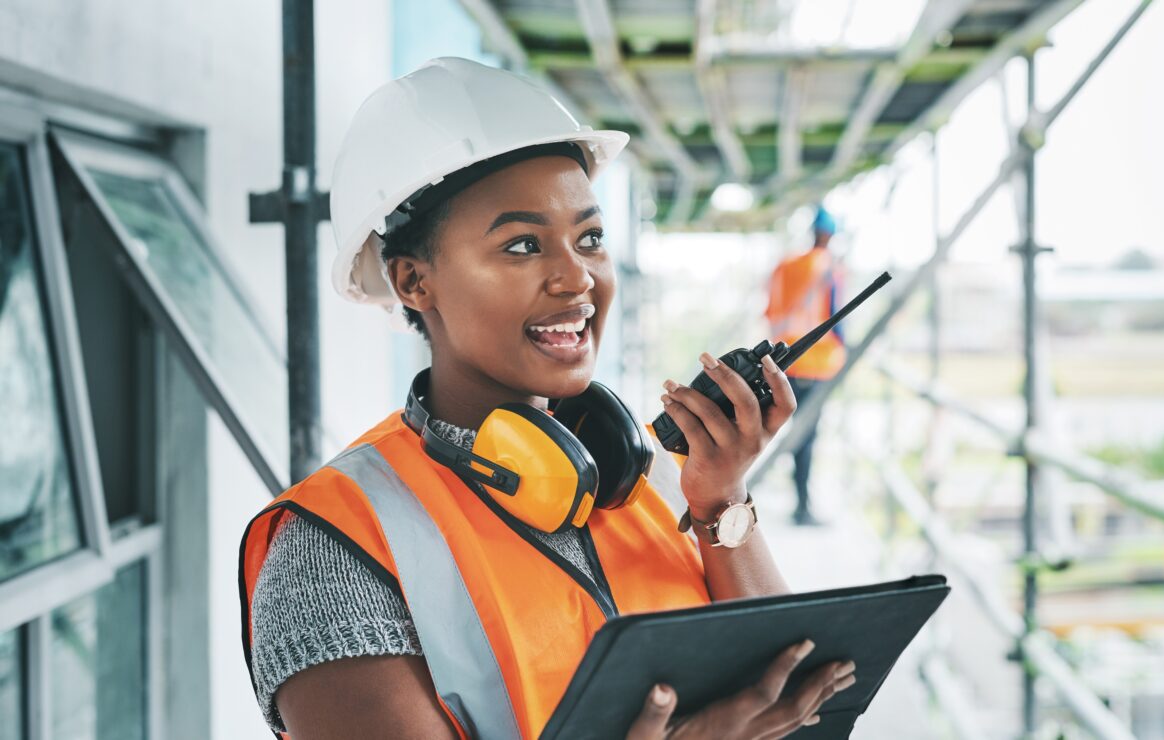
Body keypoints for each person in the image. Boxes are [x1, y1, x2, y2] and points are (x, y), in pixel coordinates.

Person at [237, 58, 856, 740]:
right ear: (414, 281)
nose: (577, 278)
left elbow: (794, 711)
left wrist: (721, 500)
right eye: (523, 244)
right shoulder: (334, 550)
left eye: (589, 238)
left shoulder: (636, 481)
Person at [764, 206, 847, 526]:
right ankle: (802, 506)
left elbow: (770, 310)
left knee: (791, 430)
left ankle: (798, 501)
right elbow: (836, 317)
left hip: (784, 361)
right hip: (817, 364)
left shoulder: (785, 265)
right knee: (807, 438)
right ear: (829, 235)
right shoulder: (828, 267)